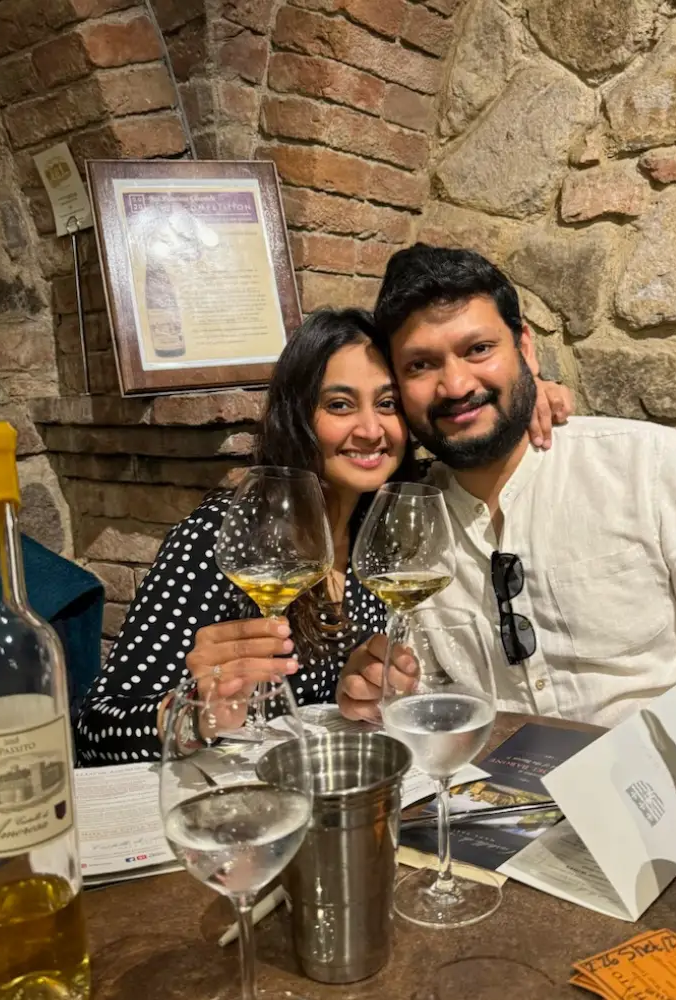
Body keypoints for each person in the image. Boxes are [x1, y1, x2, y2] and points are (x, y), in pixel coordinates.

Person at [74, 308, 575, 763]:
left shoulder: (383, 529)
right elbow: (95, 726)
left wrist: (529, 399)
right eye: (339, 405)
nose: (370, 429)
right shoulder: (226, 535)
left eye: (386, 404)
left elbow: (467, 427)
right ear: (298, 417)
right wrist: (196, 713)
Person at [335, 245, 676, 729]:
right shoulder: (411, 521)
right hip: (497, 794)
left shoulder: (648, 466)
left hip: (672, 787)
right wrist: (378, 690)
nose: (454, 386)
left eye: (478, 349)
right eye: (420, 365)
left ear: (526, 349)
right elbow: (426, 695)